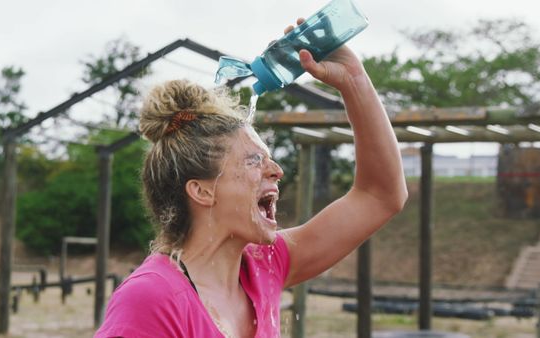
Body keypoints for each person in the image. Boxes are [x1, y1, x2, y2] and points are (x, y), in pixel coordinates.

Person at [95, 18, 408, 338]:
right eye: (254, 160)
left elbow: (380, 195)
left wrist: (353, 80)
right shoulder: (151, 301)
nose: (276, 170)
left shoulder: (265, 266)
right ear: (202, 190)